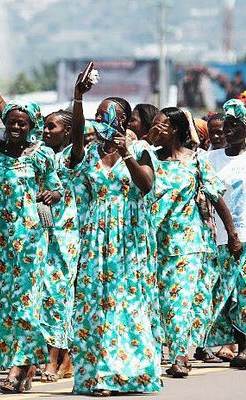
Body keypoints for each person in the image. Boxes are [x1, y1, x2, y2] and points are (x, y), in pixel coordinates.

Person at [0, 60, 63, 393]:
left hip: (29, 239)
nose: (16, 127)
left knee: (24, 302)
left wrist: (52, 194)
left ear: (32, 126)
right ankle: (23, 365)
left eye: (23, 124)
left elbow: (57, 188)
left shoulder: (40, 156)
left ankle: (19, 366)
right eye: (11, 122)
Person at [69, 67, 162, 395]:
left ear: (123, 120)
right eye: (98, 115)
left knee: (123, 305)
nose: (100, 120)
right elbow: (76, 134)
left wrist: (125, 153)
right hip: (96, 241)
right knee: (96, 307)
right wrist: (78, 97)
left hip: (127, 241)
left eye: (107, 115)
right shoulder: (89, 154)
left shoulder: (139, 151)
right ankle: (98, 375)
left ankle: (119, 375)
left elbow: (146, 184)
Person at [147, 107, 242, 377]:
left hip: (188, 243)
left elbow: (216, 197)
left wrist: (232, 235)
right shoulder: (149, 159)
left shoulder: (197, 160)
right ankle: (156, 353)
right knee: (156, 301)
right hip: (153, 243)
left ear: (175, 129)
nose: (156, 129)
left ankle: (180, 356)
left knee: (180, 300)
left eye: (161, 125)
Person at [39, 110, 79, 382]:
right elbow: (12, 117)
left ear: (67, 131)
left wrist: (59, 193)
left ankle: (55, 360)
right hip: (40, 233)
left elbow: (73, 187)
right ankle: (62, 356)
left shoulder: (75, 156)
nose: (45, 131)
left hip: (66, 234)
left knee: (58, 295)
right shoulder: (39, 154)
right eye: (43, 126)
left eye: (51, 127)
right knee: (44, 297)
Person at [205, 99, 246, 369]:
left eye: (235, 125)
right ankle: (232, 341)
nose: (228, 130)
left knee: (244, 291)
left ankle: (244, 347)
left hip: (245, 234)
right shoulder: (210, 158)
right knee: (227, 294)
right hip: (219, 235)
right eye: (226, 124)